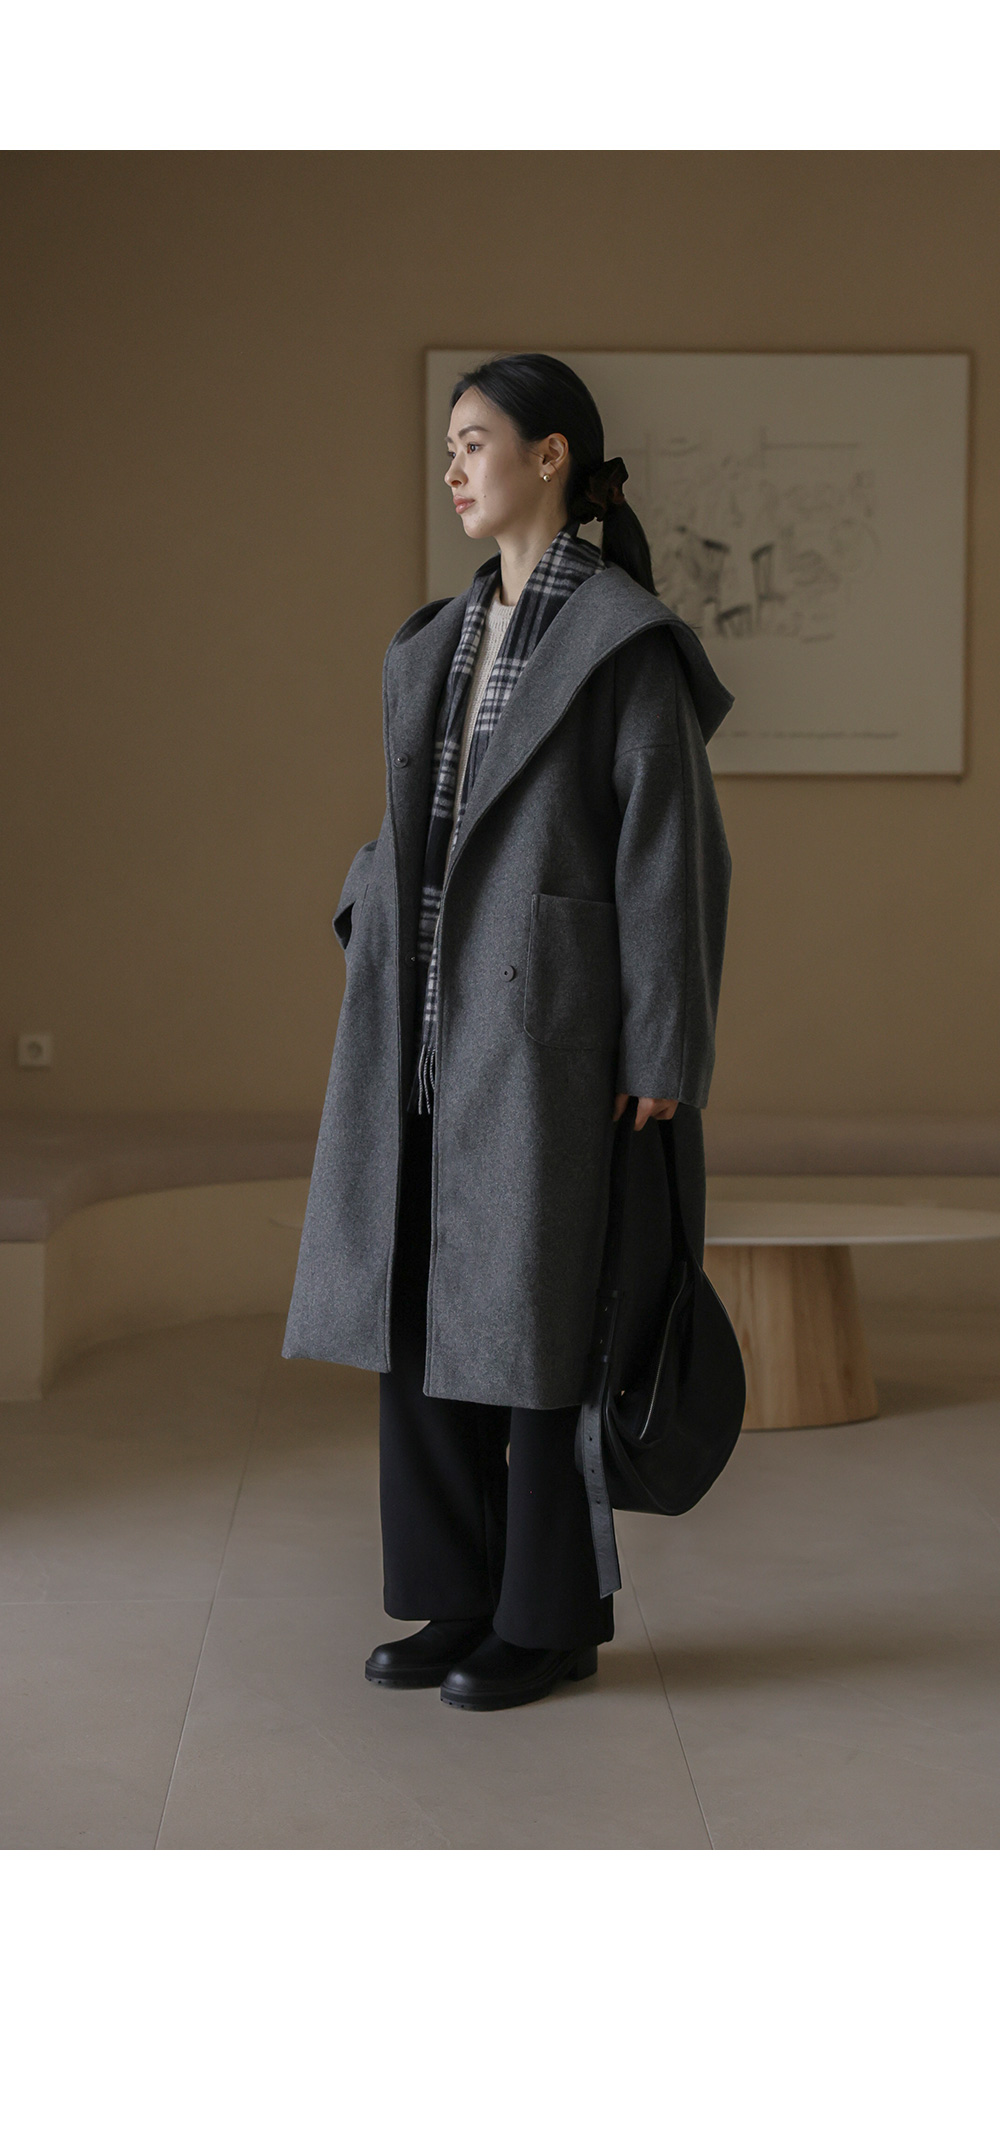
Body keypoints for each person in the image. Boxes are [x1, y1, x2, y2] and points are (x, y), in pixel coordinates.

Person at [282, 352, 735, 1712]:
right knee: (418, 1308)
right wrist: (367, 906)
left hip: (551, 1039)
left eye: (475, 441)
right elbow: (419, 823)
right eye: (448, 444)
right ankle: (456, 1598)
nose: (453, 466)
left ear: (552, 457)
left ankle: (548, 1621)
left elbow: (673, 852)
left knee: (540, 1326)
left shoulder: (624, 640)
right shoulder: (438, 637)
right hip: (418, 1027)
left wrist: (663, 1047)